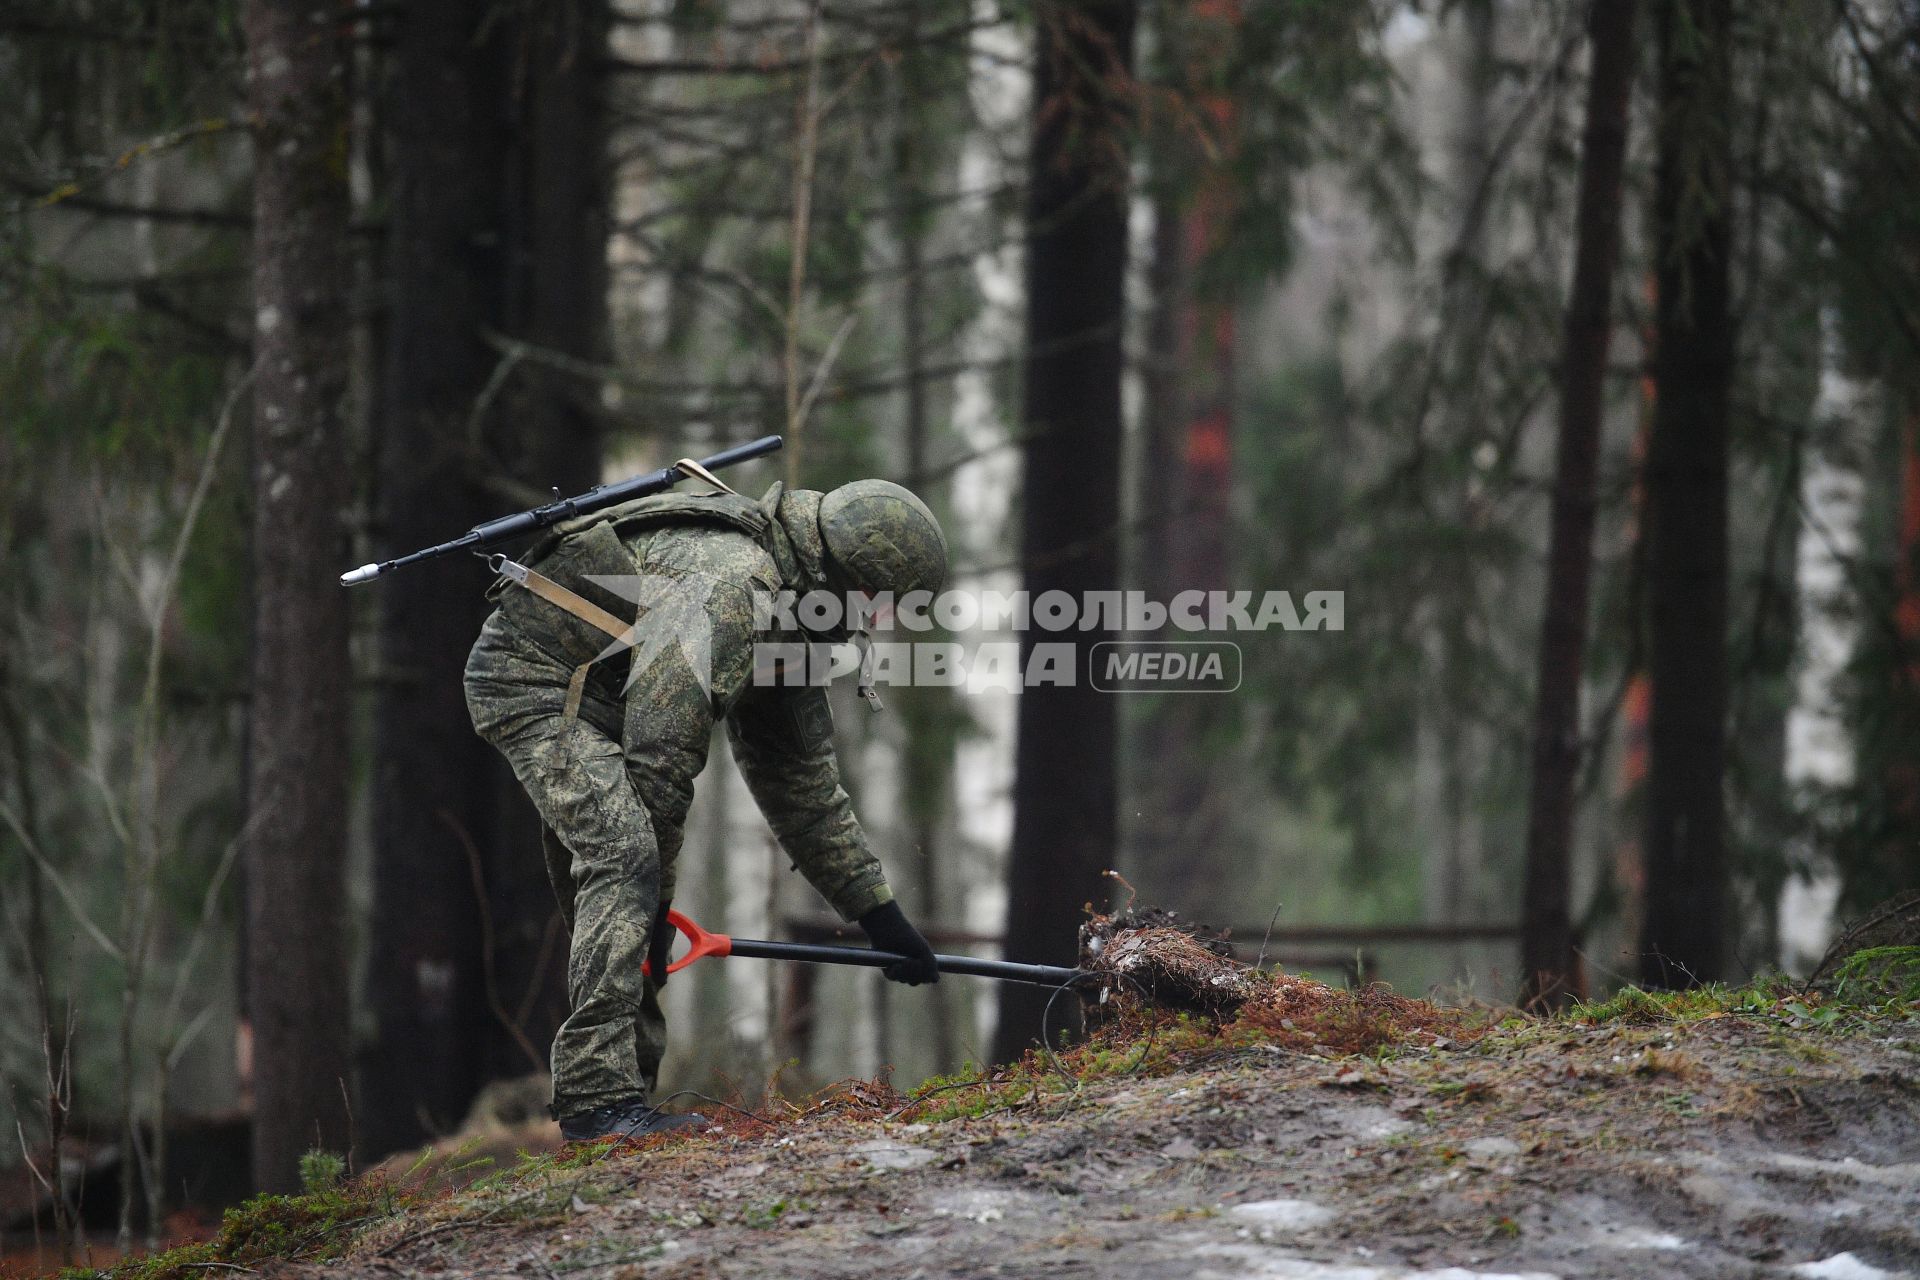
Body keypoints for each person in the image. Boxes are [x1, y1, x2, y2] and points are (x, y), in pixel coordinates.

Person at [462, 473, 947, 1142]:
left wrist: (878, 913)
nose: (884, 624)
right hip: (536, 680)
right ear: (855, 579)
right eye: (886, 606)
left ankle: (627, 1103)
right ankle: (598, 1103)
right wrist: (653, 899)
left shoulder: (798, 612)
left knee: (630, 885)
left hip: (610, 700)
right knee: (628, 861)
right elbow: (661, 750)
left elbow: (798, 778)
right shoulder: (732, 584)